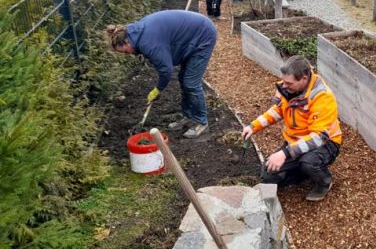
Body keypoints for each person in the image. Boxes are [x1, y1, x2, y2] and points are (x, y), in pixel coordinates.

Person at [241, 55, 342, 201]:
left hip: (326, 143)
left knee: (308, 162)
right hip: (295, 143)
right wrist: (253, 126)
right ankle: (303, 170)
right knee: (268, 176)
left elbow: (319, 138)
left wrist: (285, 153)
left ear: (304, 79)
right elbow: (277, 111)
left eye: (289, 83)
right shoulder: (289, 88)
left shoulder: (322, 97)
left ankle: (324, 181)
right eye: (283, 81)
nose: (284, 86)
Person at [106, 11, 217, 139]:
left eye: (126, 52)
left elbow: (166, 70)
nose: (128, 54)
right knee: (183, 79)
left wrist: (158, 89)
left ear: (126, 42)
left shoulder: (147, 43)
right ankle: (189, 116)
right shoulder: (134, 32)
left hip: (203, 34)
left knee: (191, 82)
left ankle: (202, 122)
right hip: (190, 36)